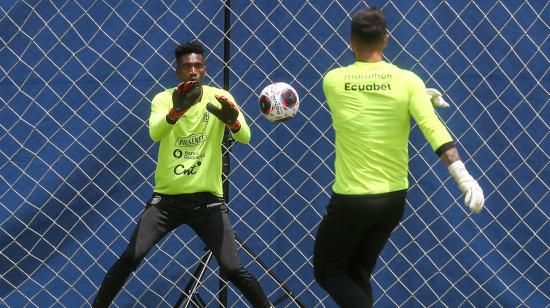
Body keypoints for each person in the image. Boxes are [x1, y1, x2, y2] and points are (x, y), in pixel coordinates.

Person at [313, 7, 484, 308]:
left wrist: (413, 94)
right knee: (359, 271)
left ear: (350, 41)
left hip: (353, 199)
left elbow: (368, 97)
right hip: (393, 200)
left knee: (328, 271)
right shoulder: (408, 81)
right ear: (386, 40)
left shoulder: (333, 81)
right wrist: (462, 176)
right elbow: (433, 127)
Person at [92, 41, 271, 308]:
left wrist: (232, 120)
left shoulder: (220, 97)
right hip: (167, 202)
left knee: (232, 268)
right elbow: (155, 133)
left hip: (207, 202)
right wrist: (177, 112)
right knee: (131, 256)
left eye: (198, 66)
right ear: (178, 71)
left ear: (205, 70)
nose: (193, 71)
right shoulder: (164, 99)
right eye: (187, 66)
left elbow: (245, 137)